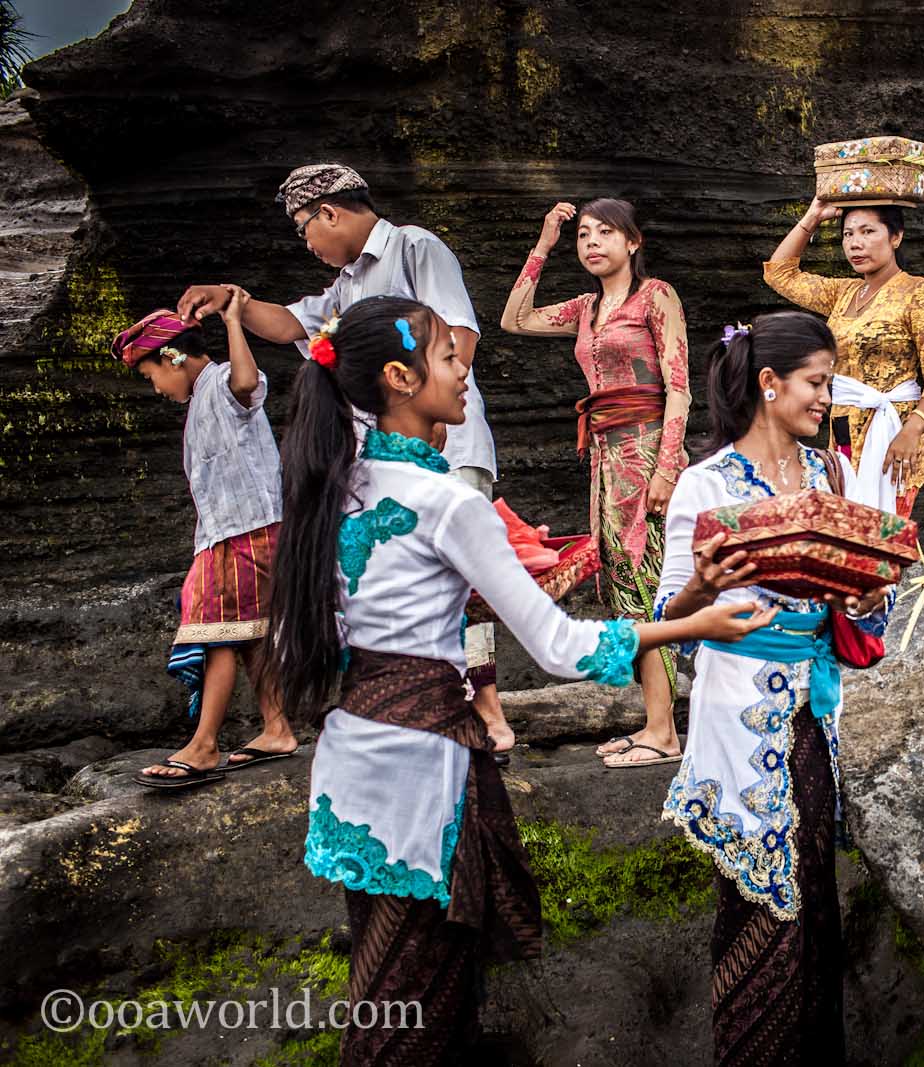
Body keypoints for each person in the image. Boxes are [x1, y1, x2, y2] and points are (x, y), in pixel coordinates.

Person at [257, 295, 770, 1066]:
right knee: (421, 1010)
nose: (466, 370)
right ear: (399, 377)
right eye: (447, 357)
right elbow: (560, 645)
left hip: (350, 766)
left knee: (384, 985)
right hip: (422, 778)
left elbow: (325, 634)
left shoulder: (333, 484)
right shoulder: (449, 503)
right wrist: (691, 625)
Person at [175, 163, 515, 761]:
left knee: (462, 584)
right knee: (397, 585)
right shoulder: (344, 288)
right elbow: (289, 325)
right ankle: (419, 707)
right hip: (383, 461)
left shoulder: (415, 247)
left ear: (330, 212)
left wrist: (429, 423)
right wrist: (234, 299)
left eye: (306, 230)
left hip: (445, 447)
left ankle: (487, 715)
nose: (308, 244)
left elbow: (459, 337)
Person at [655, 311, 894, 1064]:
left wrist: (863, 600)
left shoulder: (834, 474)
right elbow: (667, 617)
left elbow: (866, 595)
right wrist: (701, 585)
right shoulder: (705, 484)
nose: (828, 398)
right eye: (818, 383)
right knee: (759, 907)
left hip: (814, 719)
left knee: (817, 896)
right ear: (769, 383)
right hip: (737, 716)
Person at [499, 198, 691, 768]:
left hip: (648, 451)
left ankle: (664, 730)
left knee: (649, 583)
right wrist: (543, 243)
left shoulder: (655, 296)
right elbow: (514, 319)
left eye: (605, 232)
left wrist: (666, 469)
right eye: (584, 235)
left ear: (633, 241)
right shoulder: (585, 308)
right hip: (606, 459)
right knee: (623, 586)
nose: (592, 243)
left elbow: (678, 386)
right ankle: (656, 723)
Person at [112, 294, 295, 789]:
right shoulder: (199, 401)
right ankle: (276, 727)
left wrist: (234, 322)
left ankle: (204, 743)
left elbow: (247, 382)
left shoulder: (216, 382)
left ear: (172, 356)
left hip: (243, 531)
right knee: (250, 632)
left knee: (212, 629)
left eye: (152, 375)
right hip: (240, 529)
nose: (155, 388)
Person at [764, 197, 924, 517]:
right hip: (843, 427)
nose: (856, 243)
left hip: (895, 432)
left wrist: (912, 431)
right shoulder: (844, 293)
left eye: (868, 232)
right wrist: (813, 216)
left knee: (885, 535)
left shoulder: (917, 292)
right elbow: (780, 274)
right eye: (848, 234)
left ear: (896, 236)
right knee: (846, 528)